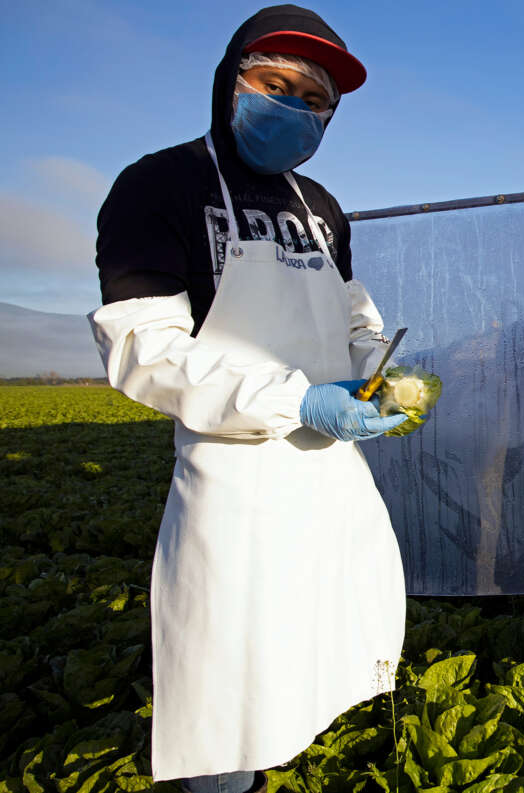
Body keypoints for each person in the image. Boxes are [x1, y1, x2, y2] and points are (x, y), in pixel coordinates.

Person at [88, 6, 409, 791]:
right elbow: (147, 350)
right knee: (229, 690)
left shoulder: (321, 208)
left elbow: (351, 316)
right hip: (234, 480)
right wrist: (297, 399)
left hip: (326, 479)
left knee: (314, 661)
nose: (295, 108)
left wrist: (378, 367)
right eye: (275, 84)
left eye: (315, 101)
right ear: (231, 80)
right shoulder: (158, 187)